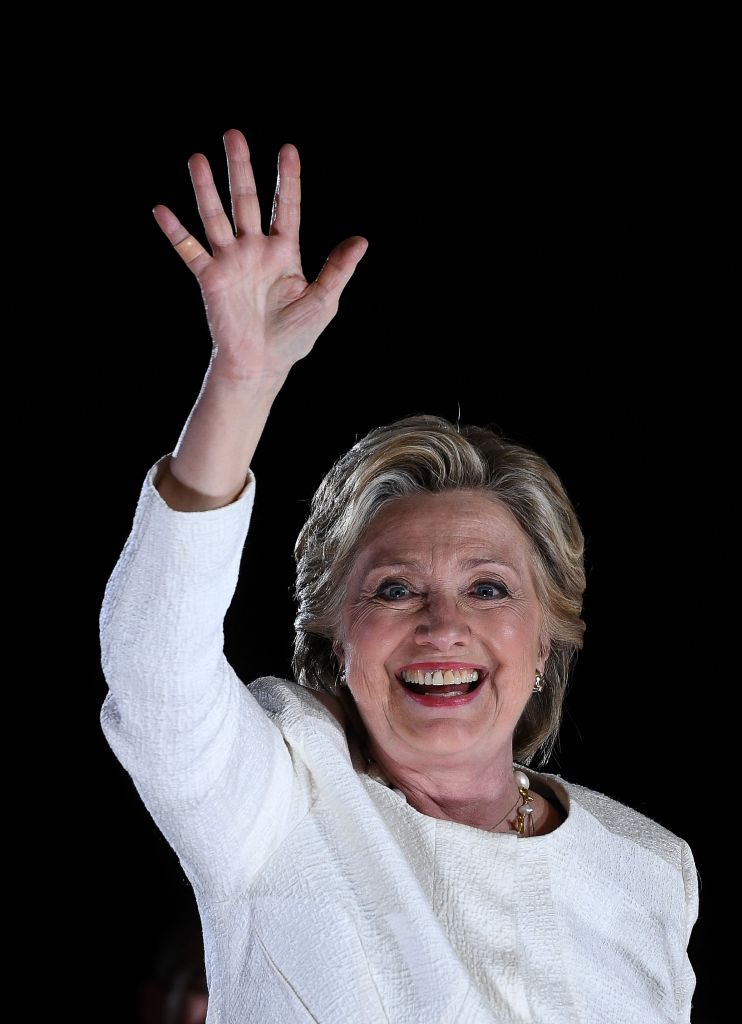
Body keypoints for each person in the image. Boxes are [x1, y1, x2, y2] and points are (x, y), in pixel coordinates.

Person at [99, 128, 699, 1023]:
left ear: (547, 637)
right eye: (394, 589)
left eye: (489, 588)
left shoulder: (650, 867)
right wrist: (244, 380)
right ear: (333, 636)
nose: (442, 625)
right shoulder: (278, 800)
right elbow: (156, 668)